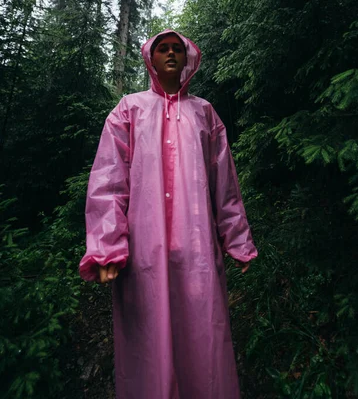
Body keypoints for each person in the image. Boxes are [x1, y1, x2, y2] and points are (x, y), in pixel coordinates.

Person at [79, 30, 258, 399]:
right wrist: (107, 247)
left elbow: (223, 183)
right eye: (164, 48)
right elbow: (109, 181)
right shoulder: (129, 110)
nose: (172, 53)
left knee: (203, 334)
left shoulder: (205, 113)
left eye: (178, 48)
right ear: (151, 58)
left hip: (198, 250)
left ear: (189, 58)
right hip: (145, 251)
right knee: (149, 341)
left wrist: (237, 239)